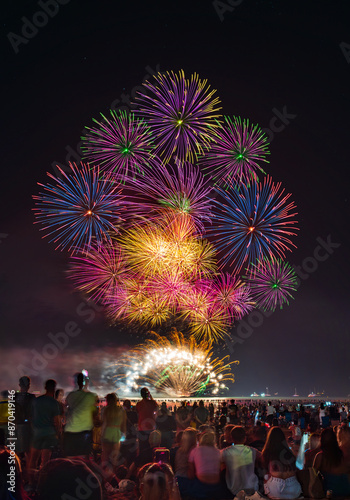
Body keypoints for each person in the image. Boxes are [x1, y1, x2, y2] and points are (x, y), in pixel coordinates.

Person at [28, 379, 61, 487]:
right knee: (45, 462)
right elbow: (57, 422)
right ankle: (41, 486)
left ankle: (31, 483)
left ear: (45, 387)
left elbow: (31, 417)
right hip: (49, 434)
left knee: (33, 460)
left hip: (37, 434)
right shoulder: (54, 403)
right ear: (54, 389)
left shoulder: (36, 401)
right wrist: (59, 434)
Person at [63, 372, 98, 458]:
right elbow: (95, 413)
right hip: (84, 432)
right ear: (84, 382)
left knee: (70, 458)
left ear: (74, 382)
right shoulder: (91, 396)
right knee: (83, 460)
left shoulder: (70, 396)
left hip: (70, 431)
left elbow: (66, 410)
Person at [261, 426, 302, 499]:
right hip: (294, 488)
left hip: (275, 489)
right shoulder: (289, 452)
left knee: (266, 476)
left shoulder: (267, 453)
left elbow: (264, 469)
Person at [221, 426, 260, 496]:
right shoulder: (253, 451)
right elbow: (264, 457)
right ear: (245, 438)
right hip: (251, 488)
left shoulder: (226, 452)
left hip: (233, 490)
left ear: (232, 438)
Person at [188, 430, 228, 498]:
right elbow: (222, 469)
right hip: (216, 485)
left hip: (201, 485)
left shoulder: (195, 450)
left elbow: (190, 473)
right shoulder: (218, 452)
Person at [313, 427, 350, 497]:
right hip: (346, 489)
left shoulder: (320, 456)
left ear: (321, 440)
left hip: (330, 491)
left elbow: (313, 476)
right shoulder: (342, 453)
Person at [101, 392, 126, 468]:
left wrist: (101, 435)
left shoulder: (105, 410)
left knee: (105, 457)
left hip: (107, 433)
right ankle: (113, 475)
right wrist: (123, 435)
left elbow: (104, 423)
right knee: (114, 458)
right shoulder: (121, 410)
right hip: (116, 434)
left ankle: (103, 476)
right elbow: (123, 425)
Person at [15, 376, 36, 467]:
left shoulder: (14, 396)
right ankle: (28, 472)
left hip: (16, 425)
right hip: (28, 425)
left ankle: (17, 470)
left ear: (19, 385)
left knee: (17, 450)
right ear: (29, 385)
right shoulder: (32, 397)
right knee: (28, 450)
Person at [174, 427, 197, 497]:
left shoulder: (179, 451)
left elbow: (176, 466)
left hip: (177, 479)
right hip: (188, 481)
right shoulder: (194, 451)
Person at [135, 388, 158, 454]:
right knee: (152, 448)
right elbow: (157, 408)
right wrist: (151, 397)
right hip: (151, 428)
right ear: (148, 394)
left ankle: (142, 462)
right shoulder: (152, 403)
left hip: (141, 428)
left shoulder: (138, 404)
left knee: (142, 447)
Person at [121, 399, 138, 466]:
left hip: (124, 434)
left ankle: (123, 466)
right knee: (131, 452)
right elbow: (136, 425)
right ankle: (130, 465)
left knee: (123, 452)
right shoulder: (134, 414)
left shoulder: (121, 414)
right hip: (132, 435)